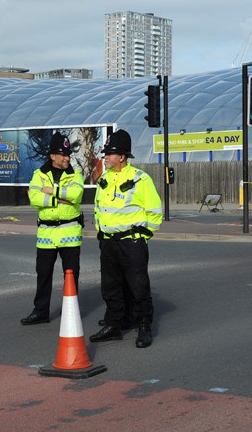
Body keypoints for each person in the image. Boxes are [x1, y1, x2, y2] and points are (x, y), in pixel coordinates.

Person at [89, 129, 163, 348]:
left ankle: (143, 326)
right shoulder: (104, 179)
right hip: (108, 242)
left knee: (138, 286)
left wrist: (142, 236)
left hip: (131, 242)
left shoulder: (140, 179)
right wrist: (101, 233)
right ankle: (114, 324)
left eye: (110, 153)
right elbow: (99, 208)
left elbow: (155, 211)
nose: (106, 156)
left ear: (121, 156)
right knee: (110, 286)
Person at [21, 132, 84, 325]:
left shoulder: (76, 174)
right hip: (47, 234)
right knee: (43, 274)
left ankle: (70, 311)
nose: (67, 158)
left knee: (71, 275)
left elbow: (76, 195)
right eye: (62, 154)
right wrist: (60, 197)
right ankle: (41, 311)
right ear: (52, 156)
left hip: (69, 233)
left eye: (68, 154)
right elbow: (34, 198)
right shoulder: (39, 174)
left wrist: (51, 191)